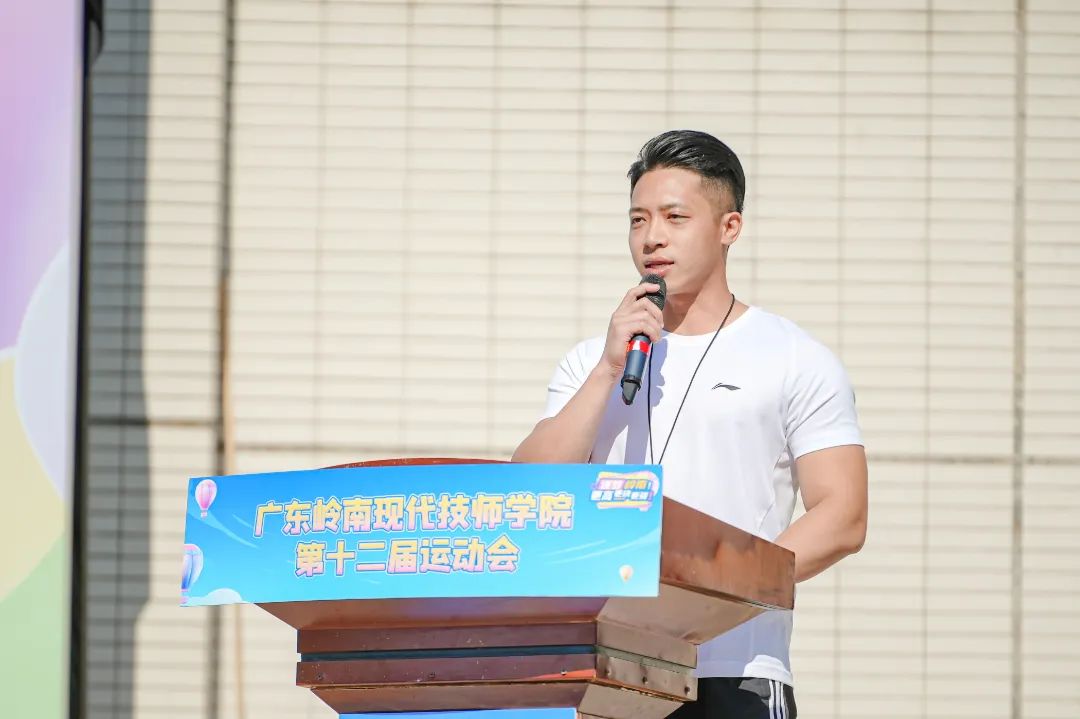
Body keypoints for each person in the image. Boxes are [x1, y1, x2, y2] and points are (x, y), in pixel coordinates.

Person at [512, 130, 868, 719]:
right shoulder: (592, 359)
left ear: (730, 227)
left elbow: (843, 515)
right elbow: (527, 491)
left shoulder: (793, 357)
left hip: (735, 668)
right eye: (638, 219)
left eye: (675, 217)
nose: (652, 236)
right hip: (607, 672)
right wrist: (606, 371)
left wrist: (711, 595)